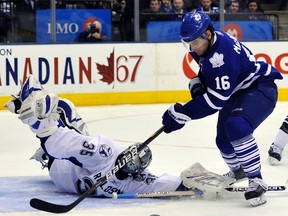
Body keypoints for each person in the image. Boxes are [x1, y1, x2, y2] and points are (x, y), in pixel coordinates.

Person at [4, 75, 202, 198]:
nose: (130, 167)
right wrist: (41, 126)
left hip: (60, 174)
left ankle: (42, 126)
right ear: (125, 153)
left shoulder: (134, 180)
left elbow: (160, 184)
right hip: (64, 168)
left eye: (133, 166)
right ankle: (37, 106)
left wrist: (193, 185)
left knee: (66, 130)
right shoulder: (104, 152)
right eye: (130, 161)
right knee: (66, 110)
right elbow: (65, 144)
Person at [161, 11, 283, 207]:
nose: (192, 48)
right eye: (189, 43)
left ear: (208, 34)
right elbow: (208, 72)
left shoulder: (222, 55)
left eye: (195, 43)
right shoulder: (206, 43)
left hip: (260, 88)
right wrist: (199, 81)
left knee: (236, 126)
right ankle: (239, 170)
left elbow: (216, 101)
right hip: (238, 91)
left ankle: (256, 180)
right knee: (223, 140)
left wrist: (183, 113)